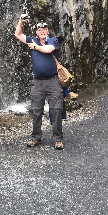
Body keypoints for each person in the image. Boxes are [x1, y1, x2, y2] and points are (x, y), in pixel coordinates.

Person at [14, 14, 64, 150]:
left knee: (56, 110)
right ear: (37, 32)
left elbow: (48, 50)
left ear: (47, 31)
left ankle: (58, 139)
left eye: (44, 29)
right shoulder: (32, 39)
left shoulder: (53, 41)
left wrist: (35, 47)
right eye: (40, 30)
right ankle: (36, 137)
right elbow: (18, 34)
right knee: (36, 110)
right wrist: (20, 21)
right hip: (37, 82)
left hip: (53, 81)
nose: (42, 31)